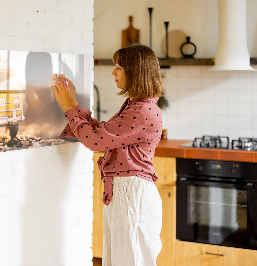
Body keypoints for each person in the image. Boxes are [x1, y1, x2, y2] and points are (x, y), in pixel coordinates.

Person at [51, 44, 164, 266]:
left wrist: (67, 108)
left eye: (119, 67)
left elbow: (95, 141)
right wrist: (73, 104)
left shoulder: (141, 111)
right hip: (126, 193)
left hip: (132, 195)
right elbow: (103, 133)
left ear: (135, 71)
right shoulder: (137, 106)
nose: (113, 72)